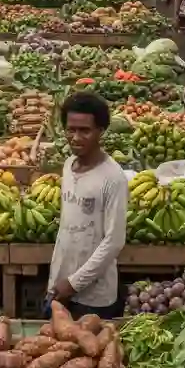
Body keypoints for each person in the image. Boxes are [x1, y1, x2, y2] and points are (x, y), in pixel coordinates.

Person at [47, 92, 129, 320]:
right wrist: (59, 280)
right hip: (61, 285)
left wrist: (74, 283)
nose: (75, 137)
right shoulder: (67, 166)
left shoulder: (113, 178)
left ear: (101, 131)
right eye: (70, 129)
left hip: (95, 297)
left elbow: (113, 242)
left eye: (85, 130)